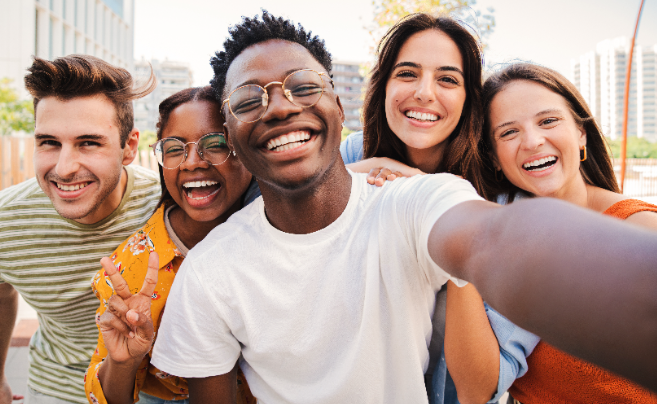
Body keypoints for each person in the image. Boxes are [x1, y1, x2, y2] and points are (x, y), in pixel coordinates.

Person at [148, 12, 657, 402]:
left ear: (336, 102)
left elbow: (495, 239)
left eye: (449, 79)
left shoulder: (449, 199)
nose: (281, 106)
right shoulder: (342, 162)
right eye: (407, 73)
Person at [340, 13, 534, 404]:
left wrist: (452, 227)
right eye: (407, 73)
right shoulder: (352, 154)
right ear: (383, 86)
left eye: (447, 79)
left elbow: (478, 390)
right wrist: (357, 174)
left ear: (469, 99)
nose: (425, 93)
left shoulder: (511, 209)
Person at [0, 55, 160, 404]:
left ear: (129, 147)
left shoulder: (167, 205)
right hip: (59, 386)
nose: (65, 167)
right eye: (49, 142)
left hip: (159, 388)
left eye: (88, 142)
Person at [478, 62, 657, 403]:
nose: (532, 141)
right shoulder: (500, 228)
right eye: (508, 132)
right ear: (495, 158)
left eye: (548, 121)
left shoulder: (638, 229)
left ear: (581, 133)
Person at [84, 86, 258, 404]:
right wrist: (123, 361)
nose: (192, 162)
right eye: (174, 149)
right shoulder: (132, 272)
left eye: (216, 144)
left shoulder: (277, 230)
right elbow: (108, 396)